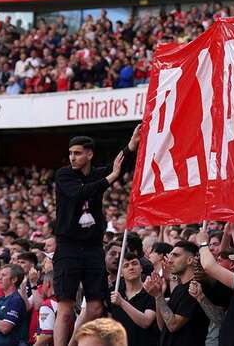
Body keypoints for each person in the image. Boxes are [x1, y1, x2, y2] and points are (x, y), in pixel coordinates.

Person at [53, 127, 140, 346]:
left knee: (95, 307)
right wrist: (110, 178)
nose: (72, 157)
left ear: (89, 154)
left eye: (78, 153)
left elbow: (117, 166)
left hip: (92, 248)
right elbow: (79, 192)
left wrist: (131, 145)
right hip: (68, 247)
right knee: (65, 308)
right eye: (71, 153)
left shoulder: (96, 175)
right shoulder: (64, 175)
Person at [144, 240, 208, 346]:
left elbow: (173, 325)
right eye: (170, 255)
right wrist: (158, 295)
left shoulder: (196, 288)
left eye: (176, 255)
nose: (169, 260)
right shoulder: (179, 288)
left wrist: (158, 296)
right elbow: (162, 325)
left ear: (190, 260)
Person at [110, 252, 159, 345]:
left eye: (134, 263)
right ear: (120, 273)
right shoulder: (113, 292)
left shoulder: (151, 291)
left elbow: (146, 321)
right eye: (126, 265)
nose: (131, 267)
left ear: (141, 268)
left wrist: (122, 302)